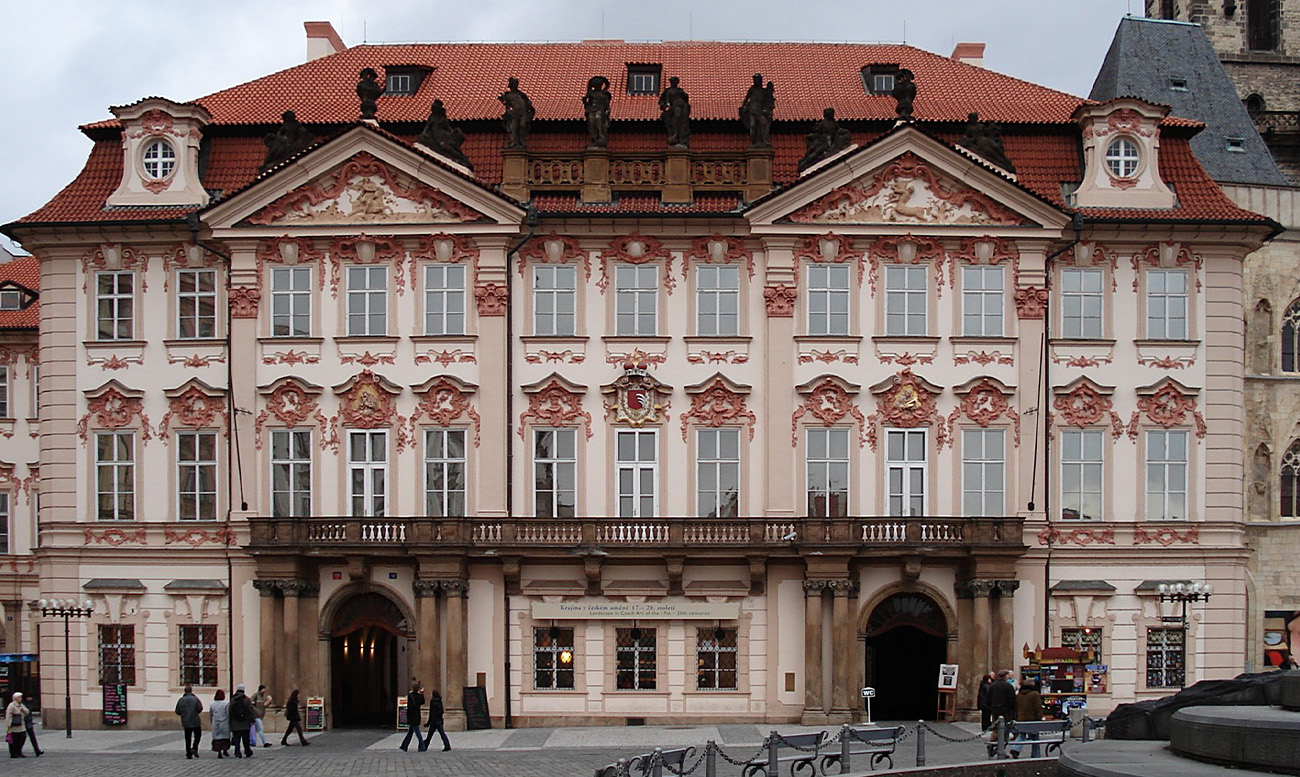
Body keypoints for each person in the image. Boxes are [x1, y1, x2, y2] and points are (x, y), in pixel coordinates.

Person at [985, 669, 1017, 757]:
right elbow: (1012, 700)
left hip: (995, 711)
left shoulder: (993, 686)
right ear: (1006, 676)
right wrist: (1013, 711)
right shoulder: (1008, 686)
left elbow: (987, 698)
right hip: (1006, 712)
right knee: (1006, 732)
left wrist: (992, 707)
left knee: (995, 730)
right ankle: (1000, 750)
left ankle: (992, 745)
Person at [1010, 679, 1045, 758]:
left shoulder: (1019, 695)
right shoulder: (1034, 694)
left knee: (1022, 734)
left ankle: (1016, 748)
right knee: (1035, 737)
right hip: (1033, 719)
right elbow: (1038, 707)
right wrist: (1040, 717)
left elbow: (1016, 707)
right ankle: (1036, 754)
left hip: (1021, 718)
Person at [498, 77, 535, 149]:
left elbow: (528, 104)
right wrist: (508, 111)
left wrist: (529, 107)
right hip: (515, 113)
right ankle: (514, 142)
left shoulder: (521, 95)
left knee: (522, 126)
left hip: (523, 112)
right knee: (514, 127)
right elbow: (507, 104)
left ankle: (521, 141)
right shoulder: (508, 95)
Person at [174, 685, 203, 759]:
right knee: (198, 735)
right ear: (191, 691)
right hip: (195, 721)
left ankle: (188, 753)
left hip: (186, 721)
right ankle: (194, 748)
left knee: (187, 738)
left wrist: (183, 714)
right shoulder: (195, 699)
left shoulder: (181, 700)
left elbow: (177, 711)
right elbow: (200, 708)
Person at [229, 684, 254, 758]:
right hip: (245, 722)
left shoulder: (233, 700)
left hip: (235, 722)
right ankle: (247, 751)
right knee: (246, 739)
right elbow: (250, 711)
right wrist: (252, 720)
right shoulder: (247, 699)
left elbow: (230, 711)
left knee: (237, 739)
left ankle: (237, 752)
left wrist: (230, 722)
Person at [400, 681, 427, 752]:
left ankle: (422, 746)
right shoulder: (419, 696)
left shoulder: (410, 696)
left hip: (411, 715)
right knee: (411, 732)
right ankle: (404, 746)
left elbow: (409, 707)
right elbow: (423, 702)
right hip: (417, 715)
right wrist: (422, 694)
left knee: (417, 732)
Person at [210, 688, 231, 758]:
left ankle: (219, 751)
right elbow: (228, 713)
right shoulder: (226, 703)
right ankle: (225, 750)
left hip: (215, 722)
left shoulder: (212, 704)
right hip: (224, 722)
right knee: (225, 737)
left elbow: (211, 714)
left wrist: (211, 721)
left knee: (217, 738)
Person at [6, 692, 28, 758]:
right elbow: (8, 715)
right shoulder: (11, 705)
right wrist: (8, 725)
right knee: (14, 740)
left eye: (21, 697)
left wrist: (23, 709)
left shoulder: (21, 705)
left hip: (21, 725)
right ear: (15, 698)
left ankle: (19, 751)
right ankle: (13, 753)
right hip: (14, 725)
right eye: (19, 697)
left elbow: (27, 712)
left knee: (22, 738)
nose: (21, 699)